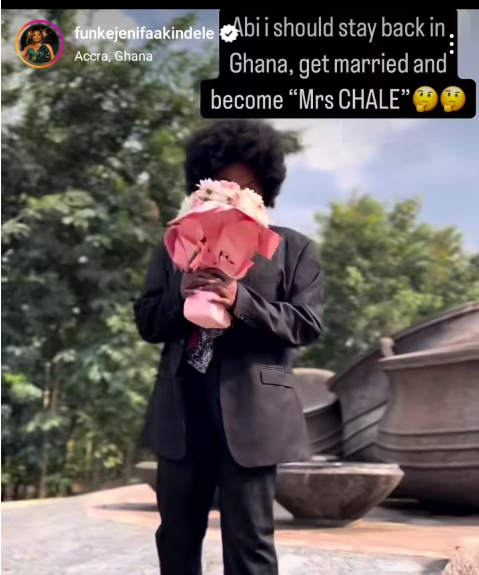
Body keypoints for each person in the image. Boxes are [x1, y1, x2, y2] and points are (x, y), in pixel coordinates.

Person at [134, 119, 324, 575]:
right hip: (182, 411)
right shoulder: (174, 246)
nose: (234, 194)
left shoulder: (293, 248)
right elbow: (147, 321)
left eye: (247, 186)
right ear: (203, 188)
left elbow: (306, 324)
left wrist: (241, 300)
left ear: (265, 190)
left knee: (250, 542)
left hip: (253, 417)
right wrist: (180, 298)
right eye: (223, 183)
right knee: (176, 538)